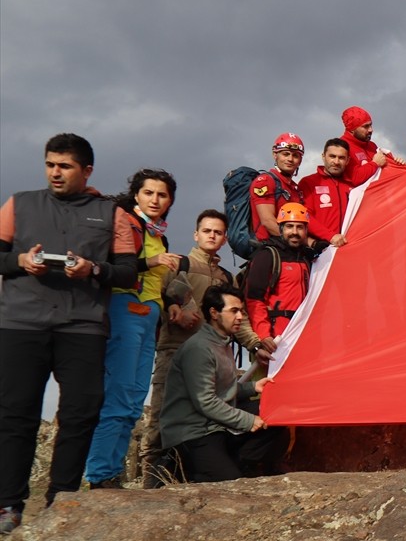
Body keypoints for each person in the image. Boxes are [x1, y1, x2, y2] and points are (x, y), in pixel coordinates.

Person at [0, 133, 137, 533]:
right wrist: (20, 261)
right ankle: (8, 506)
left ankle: (61, 499)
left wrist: (93, 269)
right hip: (20, 323)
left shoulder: (112, 213)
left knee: (82, 412)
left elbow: (128, 272)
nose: (55, 173)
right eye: (50, 165)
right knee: (15, 414)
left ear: (86, 170)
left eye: (65, 166)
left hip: (83, 326)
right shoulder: (18, 203)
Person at [139, 210, 267, 488]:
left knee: (212, 410)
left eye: (218, 232)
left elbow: (239, 319)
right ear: (196, 235)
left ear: (225, 238)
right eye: (207, 231)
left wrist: (255, 344)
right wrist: (173, 307)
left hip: (216, 354)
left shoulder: (226, 277)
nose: (212, 236)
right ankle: (153, 483)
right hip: (175, 349)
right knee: (162, 420)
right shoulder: (178, 264)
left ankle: (208, 468)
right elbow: (155, 295)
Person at [85, 168, 183, 489]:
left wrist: (169, 301)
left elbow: (156, 281)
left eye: (162, 195)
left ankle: (110, 472)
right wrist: (150, 263)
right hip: (124, 309)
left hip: (149, 317)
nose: (155, 200)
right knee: (119, 393)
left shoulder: (158, 235)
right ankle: (99, 473)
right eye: (148, 193)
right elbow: (115, 268)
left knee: (134, 399)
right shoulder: (125, 223)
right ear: (136, 195)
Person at [159, 284, 287, 483]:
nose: (240, 317)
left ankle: (239, 465)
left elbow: (222, 388)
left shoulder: (222, 343)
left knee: (275, 415)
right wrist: (248, 420)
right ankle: (193, 470)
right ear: (214, 313)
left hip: (216, 426)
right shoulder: (199, 348)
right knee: (229, 484)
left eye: (241, 311)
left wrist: (253, 387)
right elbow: (206, 402)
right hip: (193, 433)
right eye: (234, 311)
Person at [244, 203, 320, 342]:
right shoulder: (267, 256)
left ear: (306, 230)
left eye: (300, 227)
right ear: (280, 228)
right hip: (277, 337)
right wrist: (264, 335)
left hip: (304, 334)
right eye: (289, 226)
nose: (294, 232)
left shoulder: (308, 258)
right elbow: (254, 300)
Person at [251, 132, 306, 244]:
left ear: (300, 160)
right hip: (268, 247)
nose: (290, 159)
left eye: (295, 156)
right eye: (285, 154)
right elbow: (267, 221)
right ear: (275, 155)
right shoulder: (265, 181)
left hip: (288, 247)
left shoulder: (295, 189)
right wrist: (294, 243)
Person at [298, 138, 352, 248]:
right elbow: (305, 216)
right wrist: (330, 236)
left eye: (341, 158)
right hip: (320, 248)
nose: (336, 162)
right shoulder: (309, 182)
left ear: (348, 160)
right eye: (332, 156)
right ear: (323, 156)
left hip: (349, 246)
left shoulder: (354, 185)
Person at [340, 106, 406, 186]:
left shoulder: (371, 145)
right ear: (352, 129)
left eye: (370, 125)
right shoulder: (341, 147)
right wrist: (375, 163)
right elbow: (355, 179)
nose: (371, 130)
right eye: (365, 126)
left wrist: (397, 163)